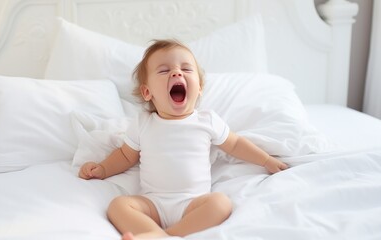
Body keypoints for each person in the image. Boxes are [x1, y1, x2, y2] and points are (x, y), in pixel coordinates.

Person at [79, 39, 288, 240]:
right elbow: (125, 156)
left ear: (199, 89)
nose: (177, 72)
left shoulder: (207, 120)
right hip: (153, 204)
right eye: (164, 70)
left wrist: (266, 160)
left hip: (194, 204)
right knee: (118, 206)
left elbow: (235, 144)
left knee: (221, 203)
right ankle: (158, 234)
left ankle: (162, 236)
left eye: (186, 69)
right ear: (147, 92)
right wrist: (103, 169)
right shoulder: (143, 123)